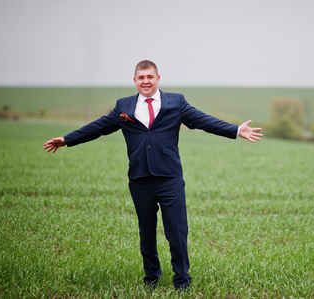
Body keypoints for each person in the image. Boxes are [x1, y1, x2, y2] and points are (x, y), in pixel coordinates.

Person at [43, 60, 262, 292]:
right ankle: (151, 279)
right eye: (141, 77)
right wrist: (67, 140)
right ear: (135, 81)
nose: (145, 81)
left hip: (169, 178)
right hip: (140, 178)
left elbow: (204, 121)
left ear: (158, 78)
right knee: (146, 232)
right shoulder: (123, 106)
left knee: (176, 231)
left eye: (150, 77)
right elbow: (98, 127)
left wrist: (236, 130)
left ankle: (182, 282)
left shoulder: (176, 102)